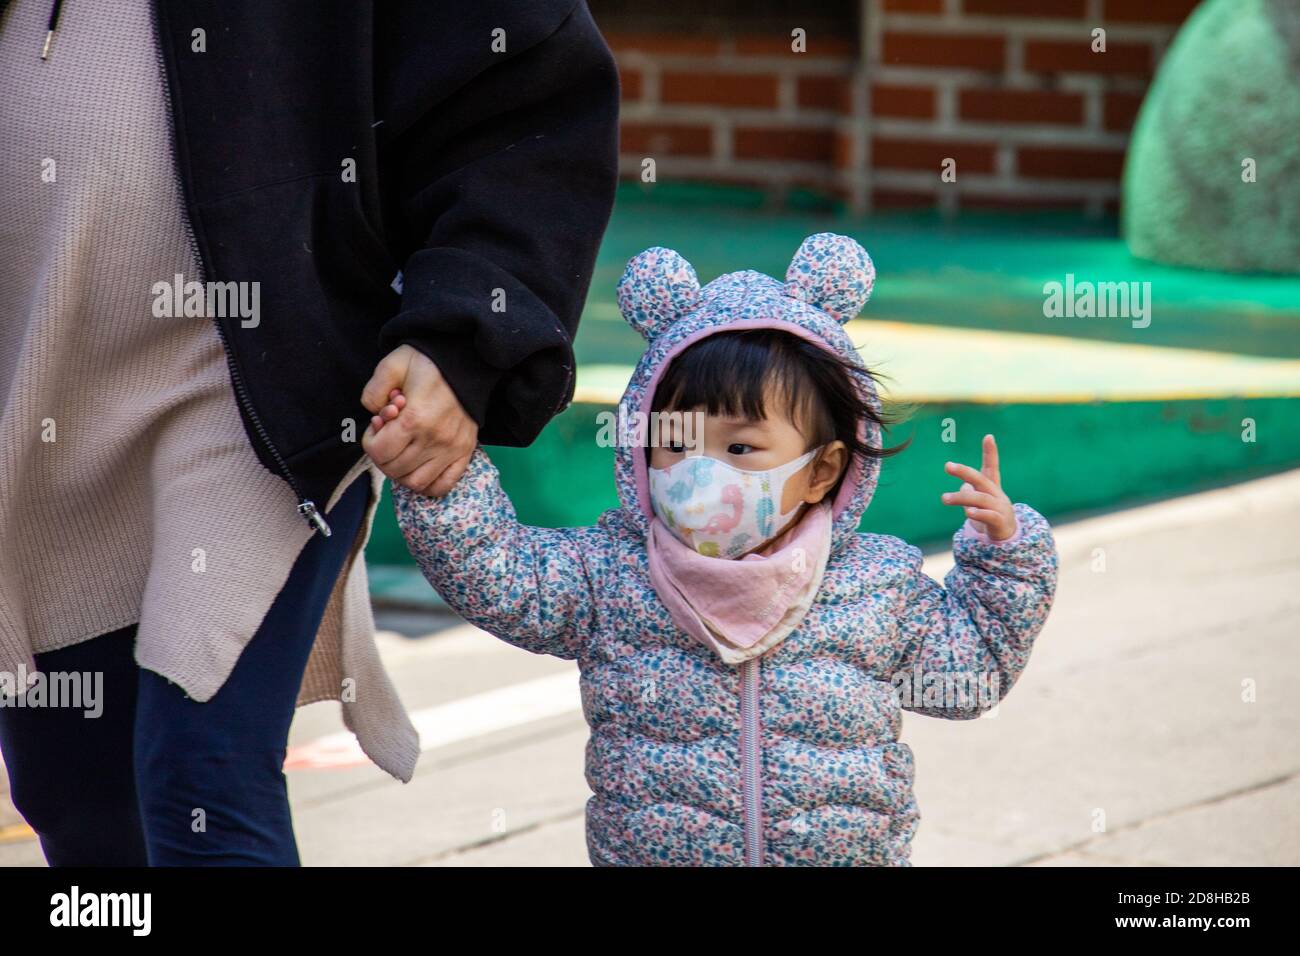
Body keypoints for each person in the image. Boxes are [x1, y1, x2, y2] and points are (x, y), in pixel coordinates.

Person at [0, 0, 618, 865]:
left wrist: (465, 330)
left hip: (255, 391)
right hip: (36, 401)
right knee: (79, 797)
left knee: (200, 776)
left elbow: (519, 85)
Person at [388, 234, 1059, 866]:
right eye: (675, 442)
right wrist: (446, 483)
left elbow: (968, 680)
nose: (700, 471)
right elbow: (496, 574)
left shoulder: (876, 585)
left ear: (824, 470)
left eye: (741, 448)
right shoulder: (611, 574)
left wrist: (1004, 555)